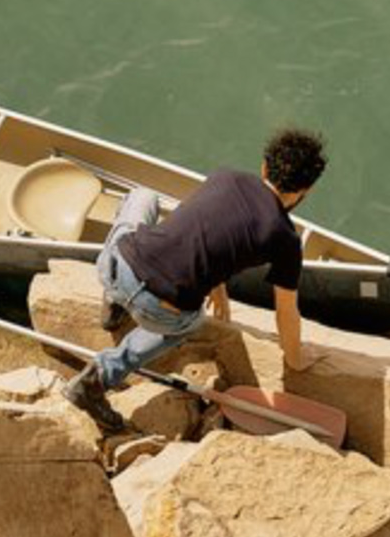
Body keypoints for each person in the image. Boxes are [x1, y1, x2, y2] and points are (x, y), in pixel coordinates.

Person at [63, 128, 329, 433]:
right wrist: (295, 361)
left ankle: (114, 302)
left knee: (143, 197)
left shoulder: (225, 177)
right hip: (157, 309)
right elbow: (286, 313)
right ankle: (96, 380)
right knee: (190, 322)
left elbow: (192, 228)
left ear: (264, 167)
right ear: (304, 191)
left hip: (114, 266)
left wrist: (217, 284)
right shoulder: (285, 239)